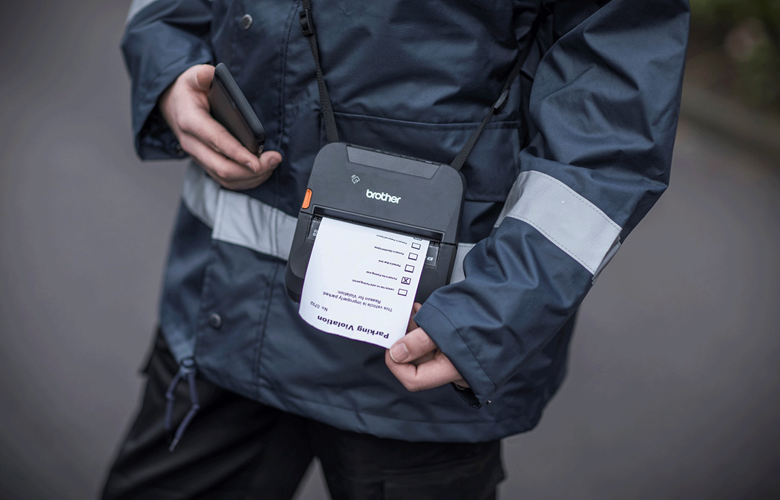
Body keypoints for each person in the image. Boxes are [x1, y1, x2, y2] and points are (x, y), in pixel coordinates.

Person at [102, 0, 690, 498]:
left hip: (421, 353)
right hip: (227, 316)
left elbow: (614, 112)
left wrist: (492, 311)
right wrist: (170, 67)